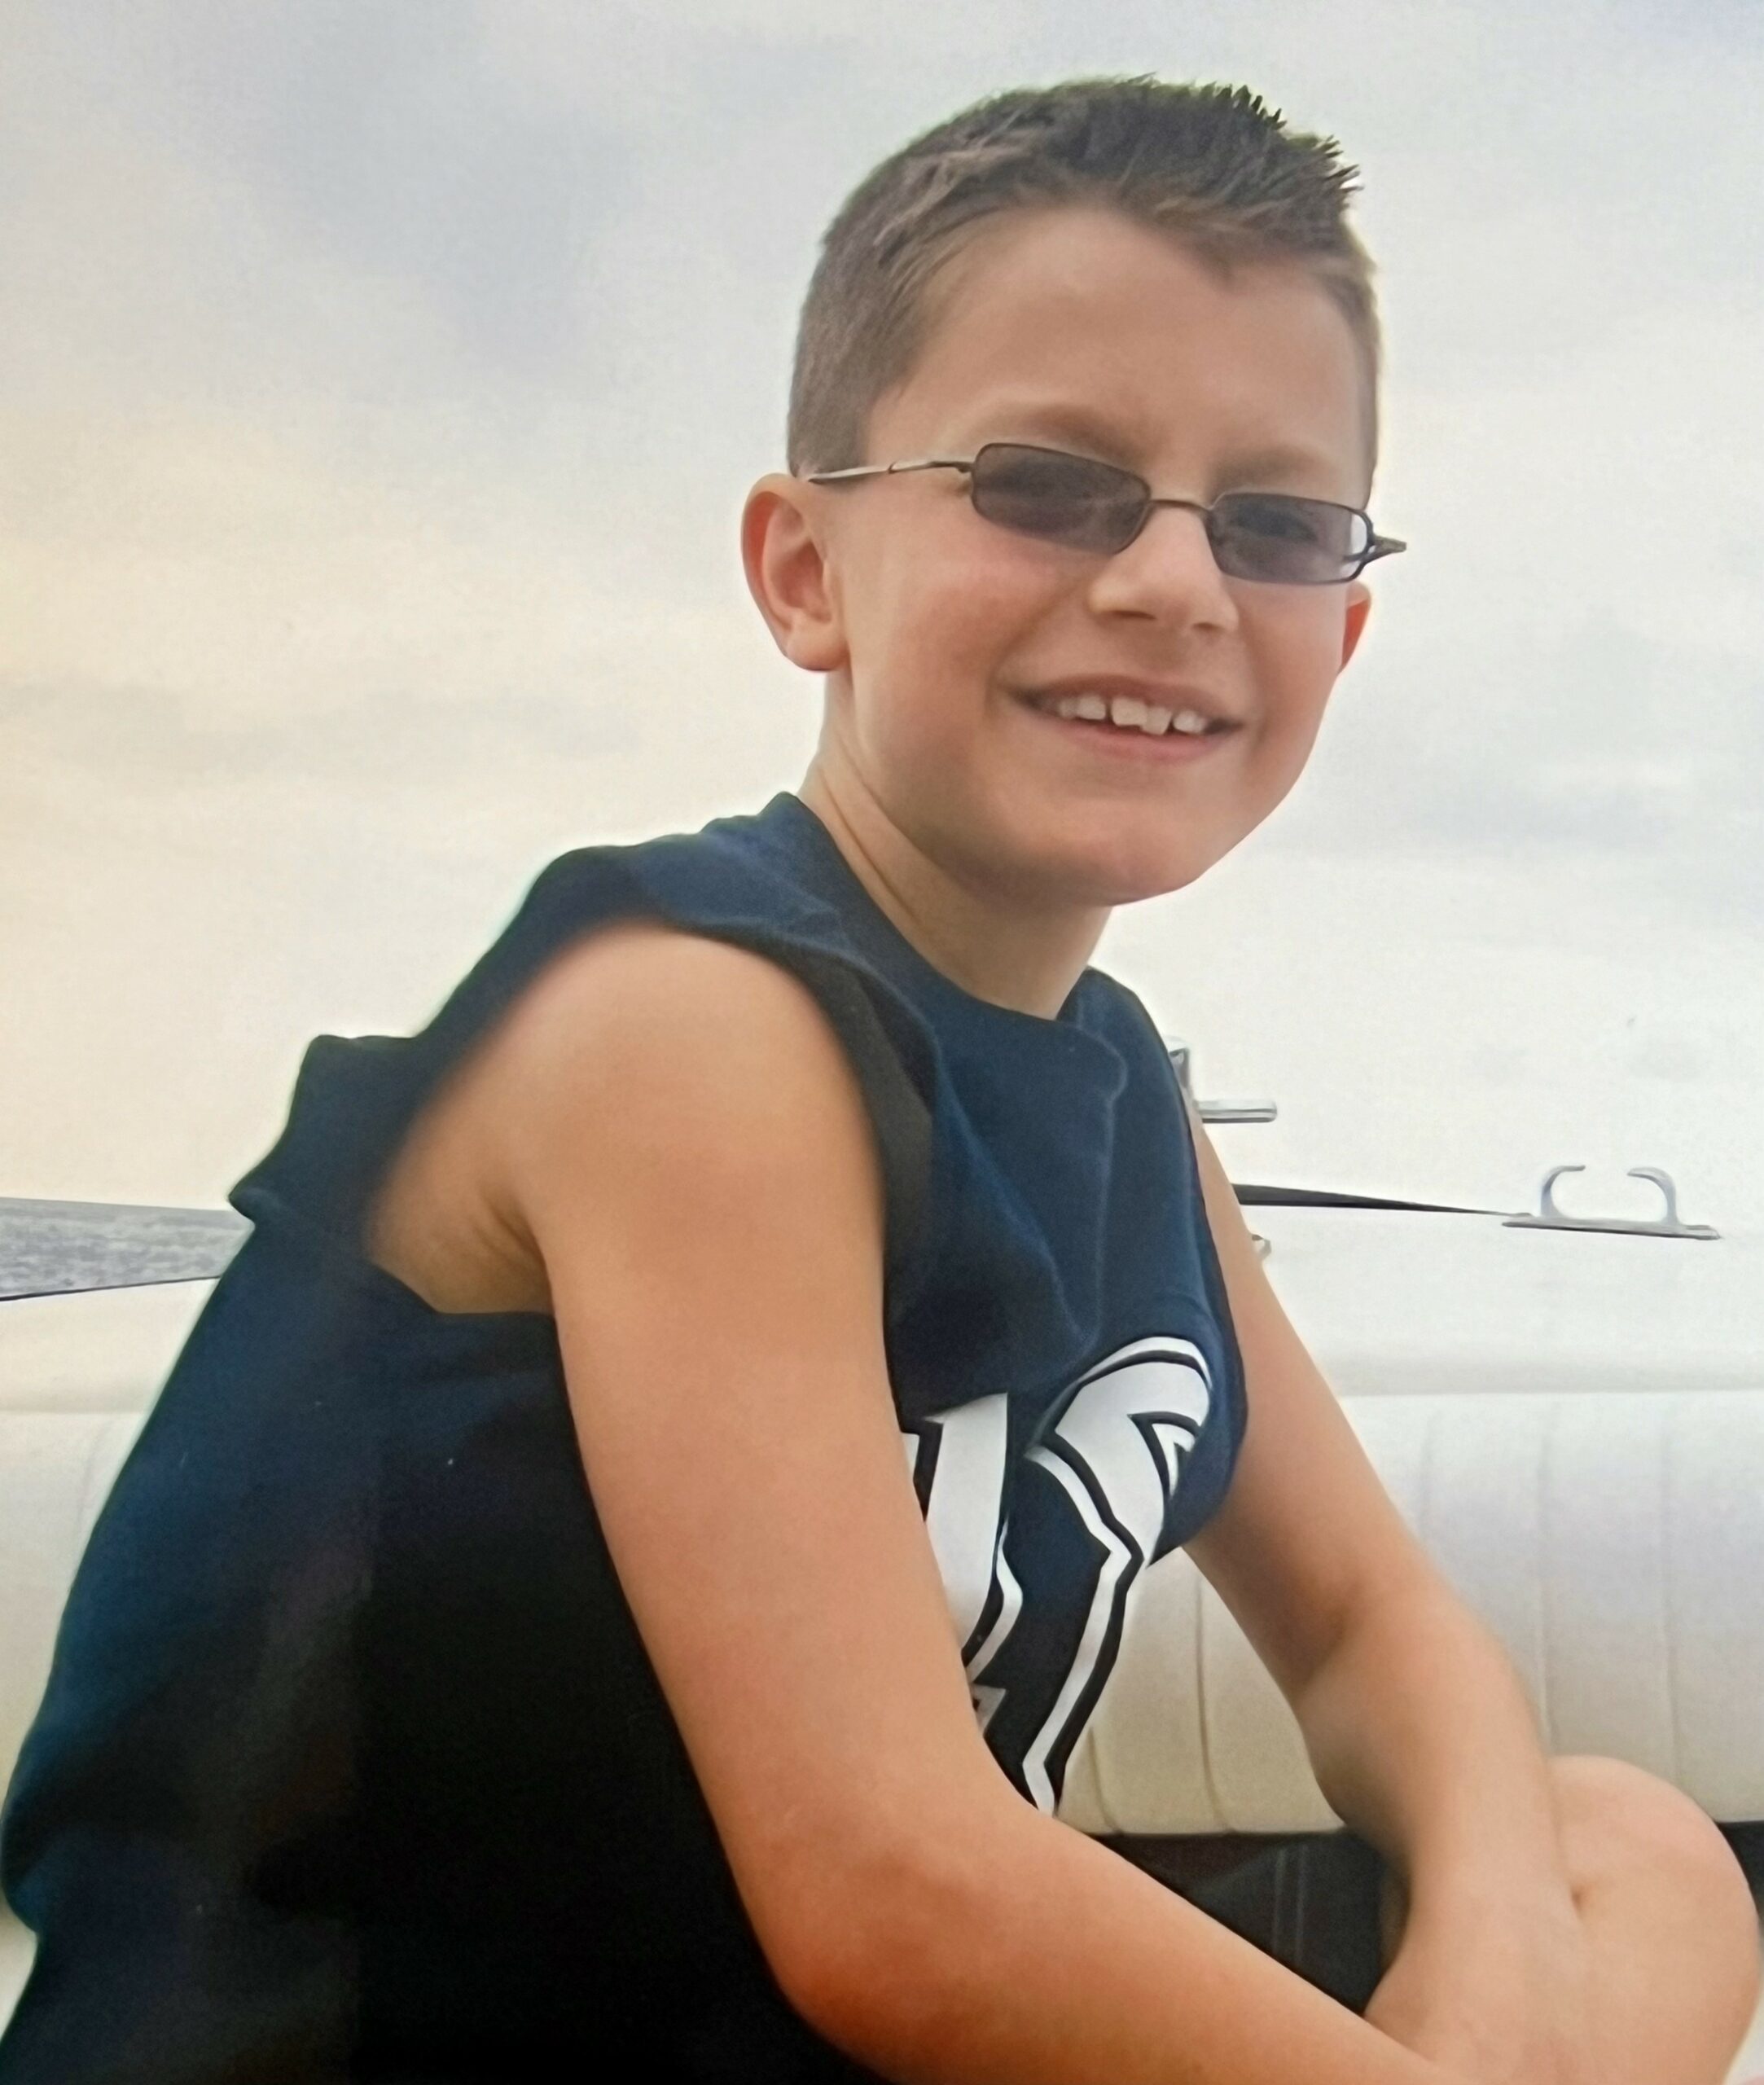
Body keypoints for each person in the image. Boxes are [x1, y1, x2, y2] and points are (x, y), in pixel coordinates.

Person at [2, 75, 1758, 2085]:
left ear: (1340, 634)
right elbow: (895, 1894)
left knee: (1629, 1850)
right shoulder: (691, 1027)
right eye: (1048, 480)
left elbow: (1372, 1625)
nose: (1176, 579)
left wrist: (1490, 1982)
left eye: (1271, 520)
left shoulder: (1116, 1097)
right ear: (803, 571)